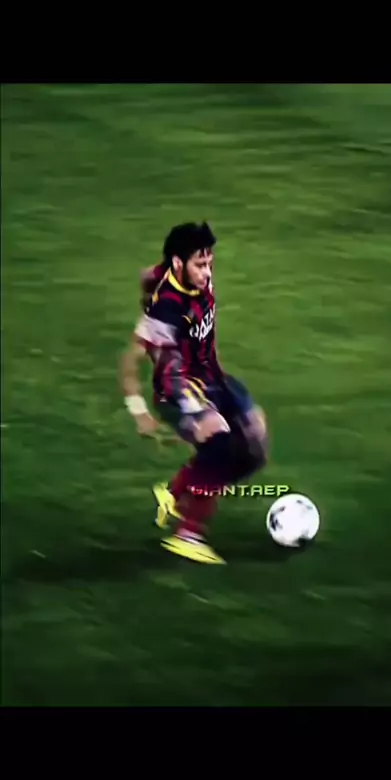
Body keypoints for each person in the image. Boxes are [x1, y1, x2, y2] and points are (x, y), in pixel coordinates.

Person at [120, 221, 268, 564]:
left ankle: (176, 492)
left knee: (254, 447)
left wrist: (149, 281)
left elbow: (149, 273)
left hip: (211, 378)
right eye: (200, 265)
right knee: (220, 443)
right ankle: (189, 535)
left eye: (209, 263)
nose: (207, 273)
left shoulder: (187, 275)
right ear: (178, 263)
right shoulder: (165, 310)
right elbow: (130, 361)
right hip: (176, 391)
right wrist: (139, 411)